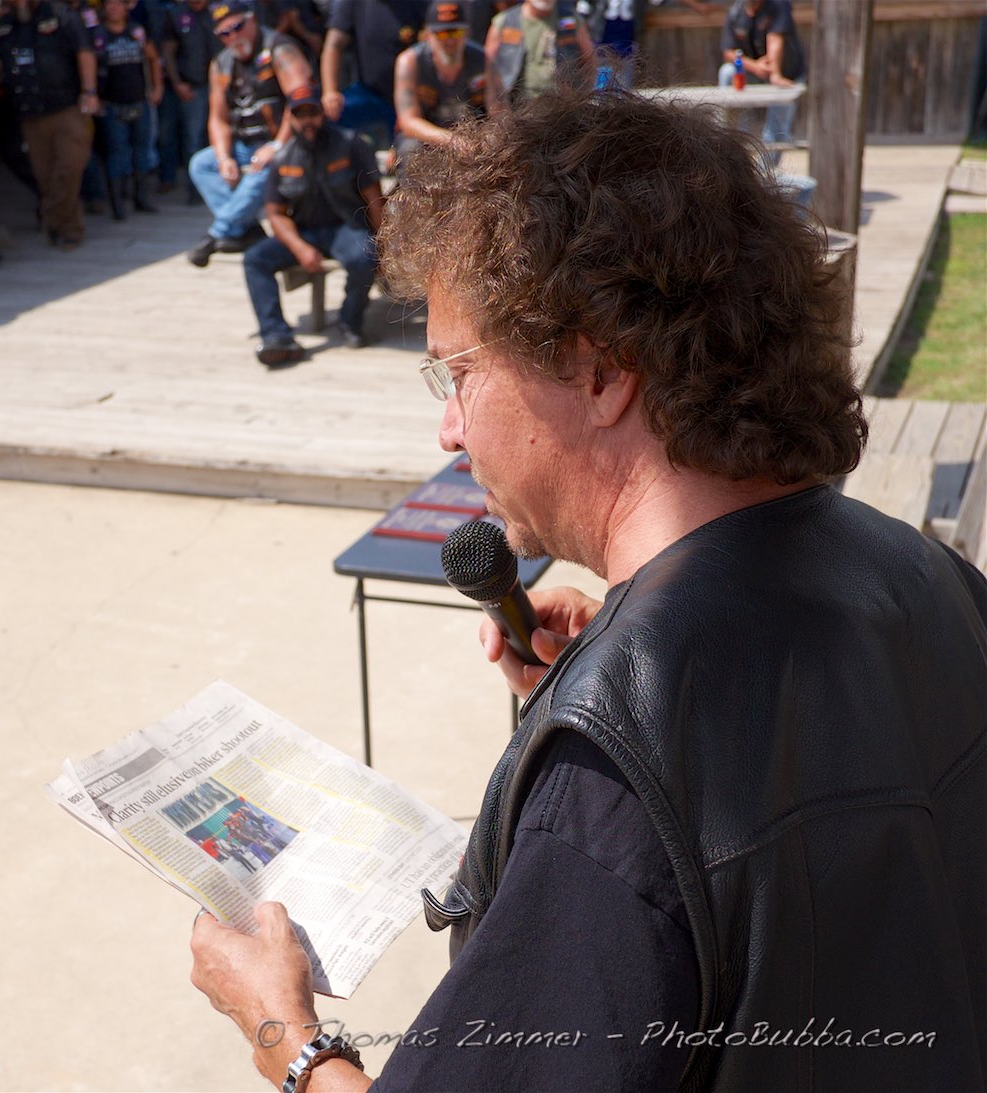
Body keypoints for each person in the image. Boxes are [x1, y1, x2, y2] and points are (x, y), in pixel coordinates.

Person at [187, 85, 987, 1093]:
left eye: (457, 374)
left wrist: (284, 1031)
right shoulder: (930, 573)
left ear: (599, 372)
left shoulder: (609, 789)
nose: (448, 430)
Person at [238, 86, 379, 366]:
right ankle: (276, 336)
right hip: (305, 232)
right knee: (254, 259)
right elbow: (275, 214)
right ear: (290, 118)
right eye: (299, 114)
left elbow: (374, 198)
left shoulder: (351, 143)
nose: (307, 121)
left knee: (365, 257)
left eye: (312, 112)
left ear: (322, 113)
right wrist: (300, 248)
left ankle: (350, 321)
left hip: (347, 227)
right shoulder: (282, 158)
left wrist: (384, 241)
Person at [184, 0, 309, 267]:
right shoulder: (221, 64)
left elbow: (300, 104)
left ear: (252, 21)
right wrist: (224, 158)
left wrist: (276, 146)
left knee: (261, 169)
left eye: (237, 27)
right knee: (201, 164)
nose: (233, 37)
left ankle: (216, 234)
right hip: (245, 144)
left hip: (286, 143)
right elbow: (218, 119)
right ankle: (245, 228)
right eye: (224, 33)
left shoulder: (279, 49)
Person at [0, 0, 98, 251]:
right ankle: (68, 229)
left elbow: (85, 52)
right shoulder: (4, 23)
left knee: (69, 167)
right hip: (29, 112)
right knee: (46, 176)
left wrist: (89, 92)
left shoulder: (62, 15)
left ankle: (50, 216)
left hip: (67, 106)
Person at [317, 0, 421, 149]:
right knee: (327, 117)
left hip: (412, 95)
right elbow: (334, 45)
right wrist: (330, 91)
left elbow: (432, 40)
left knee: (410, 145)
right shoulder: (351, 3)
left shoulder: (420, 3)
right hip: (369, 92)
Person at [92, 0, 161, 220]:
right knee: (117, 153)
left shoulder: (136, 31)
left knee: (141, 151)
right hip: (112, 104)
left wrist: (157, 87)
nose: (113, 8)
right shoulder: (98, 35)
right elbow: (90, 66)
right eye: (109, 4)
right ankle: (117, 204)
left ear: (126, 7)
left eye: (117, 4)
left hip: (139, 100)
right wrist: (94, 95)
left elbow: (153, 58)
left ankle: (141, 198)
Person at [391, 0, 485, 162]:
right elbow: (408, 121)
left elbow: (499, 110)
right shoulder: (409, 61)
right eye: (442, 33)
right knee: (410, 148)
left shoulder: (482, 59)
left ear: (466, 33)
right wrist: (452, 140)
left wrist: (485, 138)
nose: (450, 40)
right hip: (428, 135)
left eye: (456, 32)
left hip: (472, 132)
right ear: (427, 35)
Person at [718, 0, 805, 163]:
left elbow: (775, 39)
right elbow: (728, 52)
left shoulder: (778, 5)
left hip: (785, 74)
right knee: (727, 72)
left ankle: (767, 170)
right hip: (755, 72)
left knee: (776, 129)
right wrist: (755, 66)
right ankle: (732, 144)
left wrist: (775, 74)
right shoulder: (736, 12)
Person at [484, 0, 591, 109]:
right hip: (520, 107)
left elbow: (590, 60)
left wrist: (581, 98)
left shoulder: (570, 20)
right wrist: (497, 107)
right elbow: (489, 68)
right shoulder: (506, 21)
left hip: (562, 107)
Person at [158, 0, 213, 202]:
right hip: (191, 86)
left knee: (216, 137)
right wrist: (177, 82)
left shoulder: (218, 12)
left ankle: (217, 186)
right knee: (192, 140)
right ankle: (195, 191)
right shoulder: (176, 14)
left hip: (219, 85)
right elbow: (168, 52)